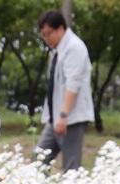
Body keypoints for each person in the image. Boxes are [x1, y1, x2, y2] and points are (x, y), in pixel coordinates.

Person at [36, 10, 93, 173]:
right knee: (39, 159)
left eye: (49, 34)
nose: (46, 39)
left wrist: (64, 115)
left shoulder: (74, 48)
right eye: (43, 35)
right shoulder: (58, 50)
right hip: (55, 118)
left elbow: (73, 83)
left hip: (70, 118)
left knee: (70, 169)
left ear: (60, 28)